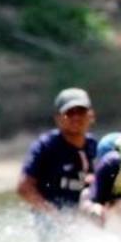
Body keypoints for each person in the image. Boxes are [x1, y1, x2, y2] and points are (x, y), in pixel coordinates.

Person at [17, 87, 98, 216]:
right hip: (51, 219)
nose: (76, 117)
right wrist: (53, 215)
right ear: (58, 118)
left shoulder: (95, 146)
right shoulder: (45, 147)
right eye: (69, 112)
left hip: (84, 216)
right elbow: (24, 188)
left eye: (81, 111)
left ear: (91, 115)